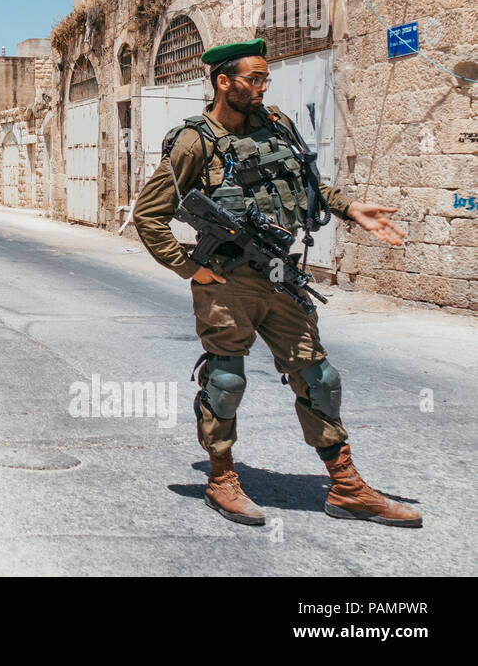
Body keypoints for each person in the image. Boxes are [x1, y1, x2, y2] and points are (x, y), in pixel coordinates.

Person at [132, 37, 421, 528]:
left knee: (320, 377)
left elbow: (308, 182)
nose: (264, 87)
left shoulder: (276, 124)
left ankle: (347, 486)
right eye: (255, 78)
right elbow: (148, 214)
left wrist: (348, 207)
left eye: (266, 78)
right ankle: (222, 477)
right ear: (225, 82)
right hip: (226, 281)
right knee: (226, 378)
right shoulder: (194, 141)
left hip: (278, 273)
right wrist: (190, 267)